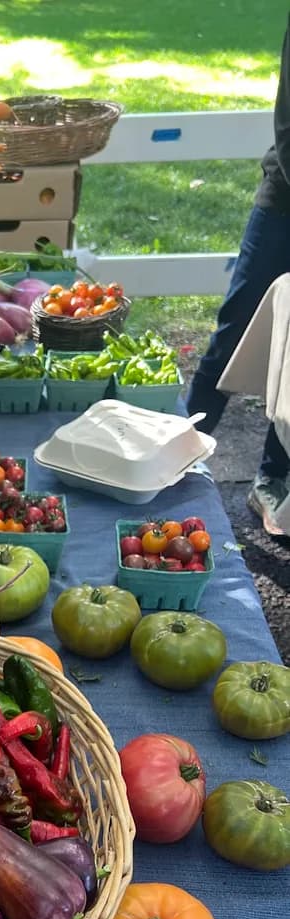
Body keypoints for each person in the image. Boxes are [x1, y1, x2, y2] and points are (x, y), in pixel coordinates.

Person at [184, 12, 290, 537]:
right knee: (236, 331)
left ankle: (273, 482)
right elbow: (289, 124)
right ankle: (177, 455)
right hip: (285, 204)